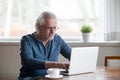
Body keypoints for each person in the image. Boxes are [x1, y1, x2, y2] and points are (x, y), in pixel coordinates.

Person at [18, 11, 71, 80]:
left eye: (55, 28)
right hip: (30, 78)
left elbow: (72, 55)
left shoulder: (57, 39)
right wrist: (57, 65)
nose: (52, 31)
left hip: (51, 78)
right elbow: (28, 62)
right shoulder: (26, 40)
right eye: (49, 28)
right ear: (39, 27)